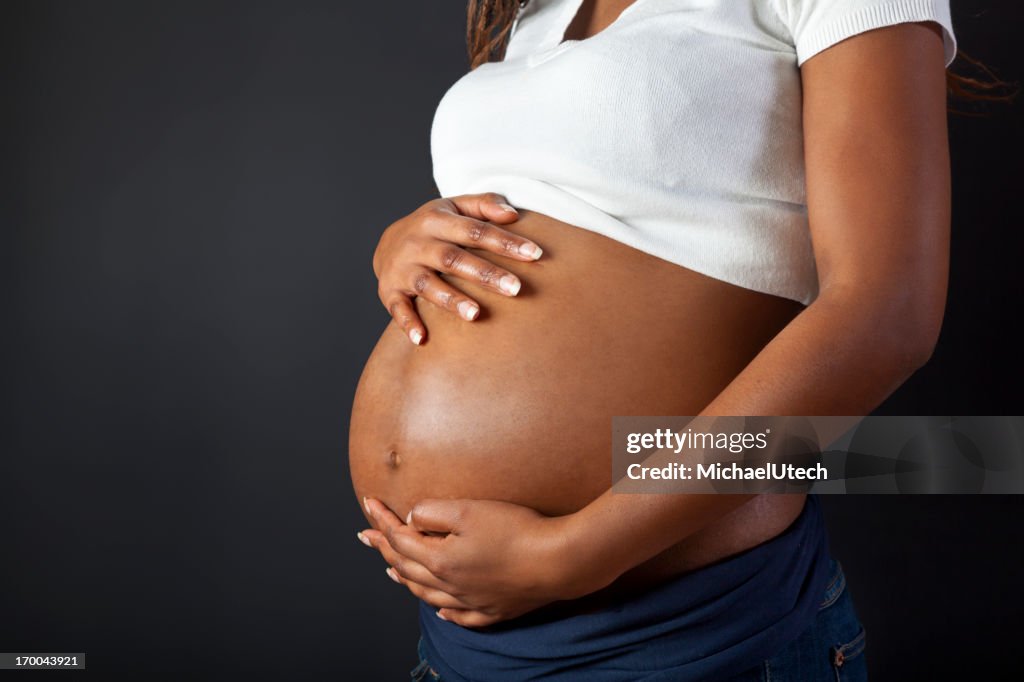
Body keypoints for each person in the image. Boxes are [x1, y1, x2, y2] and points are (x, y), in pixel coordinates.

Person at [348, 0, 969, 679]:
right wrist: (405, 240)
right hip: (463, 646)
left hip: (694, 637)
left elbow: (887, 315)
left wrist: (572, 554)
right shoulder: (539, 14)